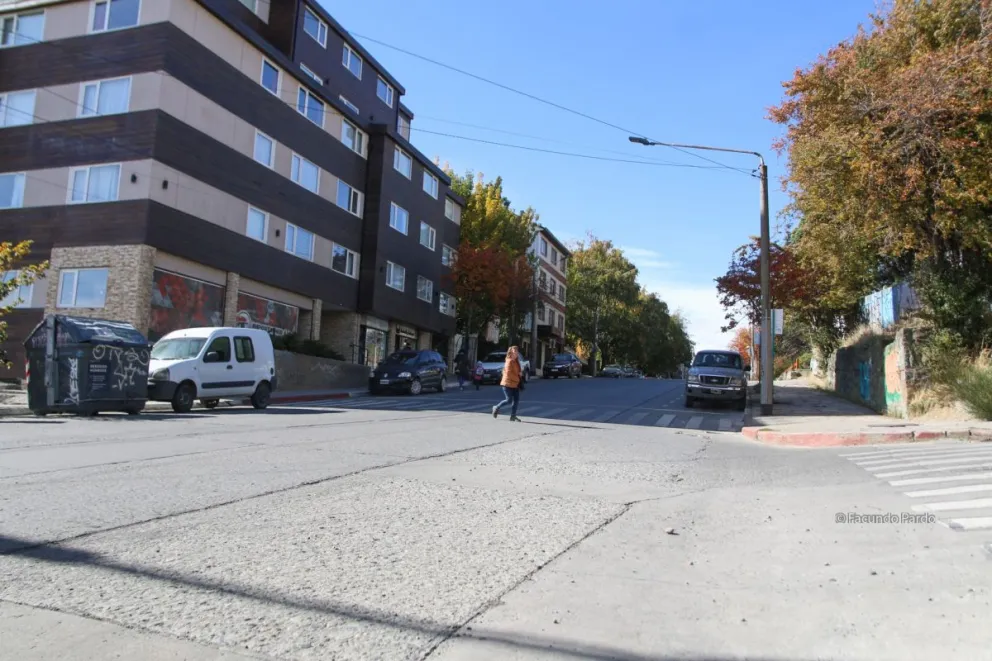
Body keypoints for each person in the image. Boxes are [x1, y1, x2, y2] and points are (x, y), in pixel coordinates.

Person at [492, 346, 523, 422]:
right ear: (511, 353)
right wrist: (518, 379)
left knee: (516, 400)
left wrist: (520, 373)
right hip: (507, 383)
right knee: (509, 400)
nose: (516, 353)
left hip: (515, 384)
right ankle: (496, 407)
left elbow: (517, 372)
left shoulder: (516, 361)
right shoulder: (509, 361)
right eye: (514, 352)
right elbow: (509, 374)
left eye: (517, 352)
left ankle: (513, 416)